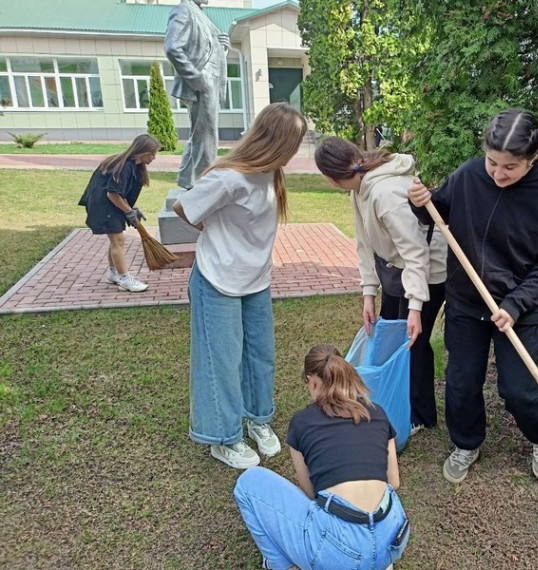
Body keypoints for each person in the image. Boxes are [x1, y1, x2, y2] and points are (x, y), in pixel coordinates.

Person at [407, 109, 538, 483]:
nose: (497, 173)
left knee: (518, 389)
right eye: (492, 162)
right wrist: (421, 202)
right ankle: (466, 443)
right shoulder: (469, 175)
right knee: (461, 381)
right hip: (467, 301)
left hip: (520, 308)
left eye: (510, 167)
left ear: (532, 160)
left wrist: (515, 304)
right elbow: (436, 213)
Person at [172, 102, 308, 468]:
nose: (296, 152)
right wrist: (215, 233)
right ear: (275, 140)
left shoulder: (271, 173)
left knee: (260, 355)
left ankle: (257, 418)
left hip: (255, 281)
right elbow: (184, 207)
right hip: (217, 281)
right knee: (222, 362)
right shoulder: (229, 177)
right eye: (294, 143)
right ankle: (223, 437)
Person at [234, 344, 410, 570]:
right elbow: (393, 482)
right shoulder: (376, 412)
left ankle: (280, 565)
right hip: (392, 538)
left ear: (313, 381)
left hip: (342, 550)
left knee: (248, 482)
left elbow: (311, 494)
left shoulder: (301, 423)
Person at [314, 137, 447, 436]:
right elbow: (364, 245)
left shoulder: (383, 194)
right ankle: (394, 396)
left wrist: (415, 308)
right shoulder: (358, 187)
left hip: (427, 269)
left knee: (414, 340)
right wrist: (368, 294)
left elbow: (416, 254)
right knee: (390, 332)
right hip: (394, 267)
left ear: (331, 178)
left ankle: (419, 415)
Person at [78, 134, 161, 293]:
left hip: (110, 204)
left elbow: (122, 192)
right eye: (152, 153)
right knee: (118, 240)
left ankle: (113, 273)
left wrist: (132, 208)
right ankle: (124, 279)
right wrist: (128, 211)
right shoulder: (124, 166)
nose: (154, 157)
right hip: (104, 205)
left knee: (116, 238)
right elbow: (112, 194)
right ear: (141, 151)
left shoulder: (134, 165)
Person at [165, 0, 229, 190]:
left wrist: (222, 45)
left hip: (211, 82)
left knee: (199, 136)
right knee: (207, 137)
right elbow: (172, 47)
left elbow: (207, 48)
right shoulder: (183, 10)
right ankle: (205, 186)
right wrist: (196, 79)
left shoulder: (200, 13)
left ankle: (187, 179)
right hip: (203, 83)